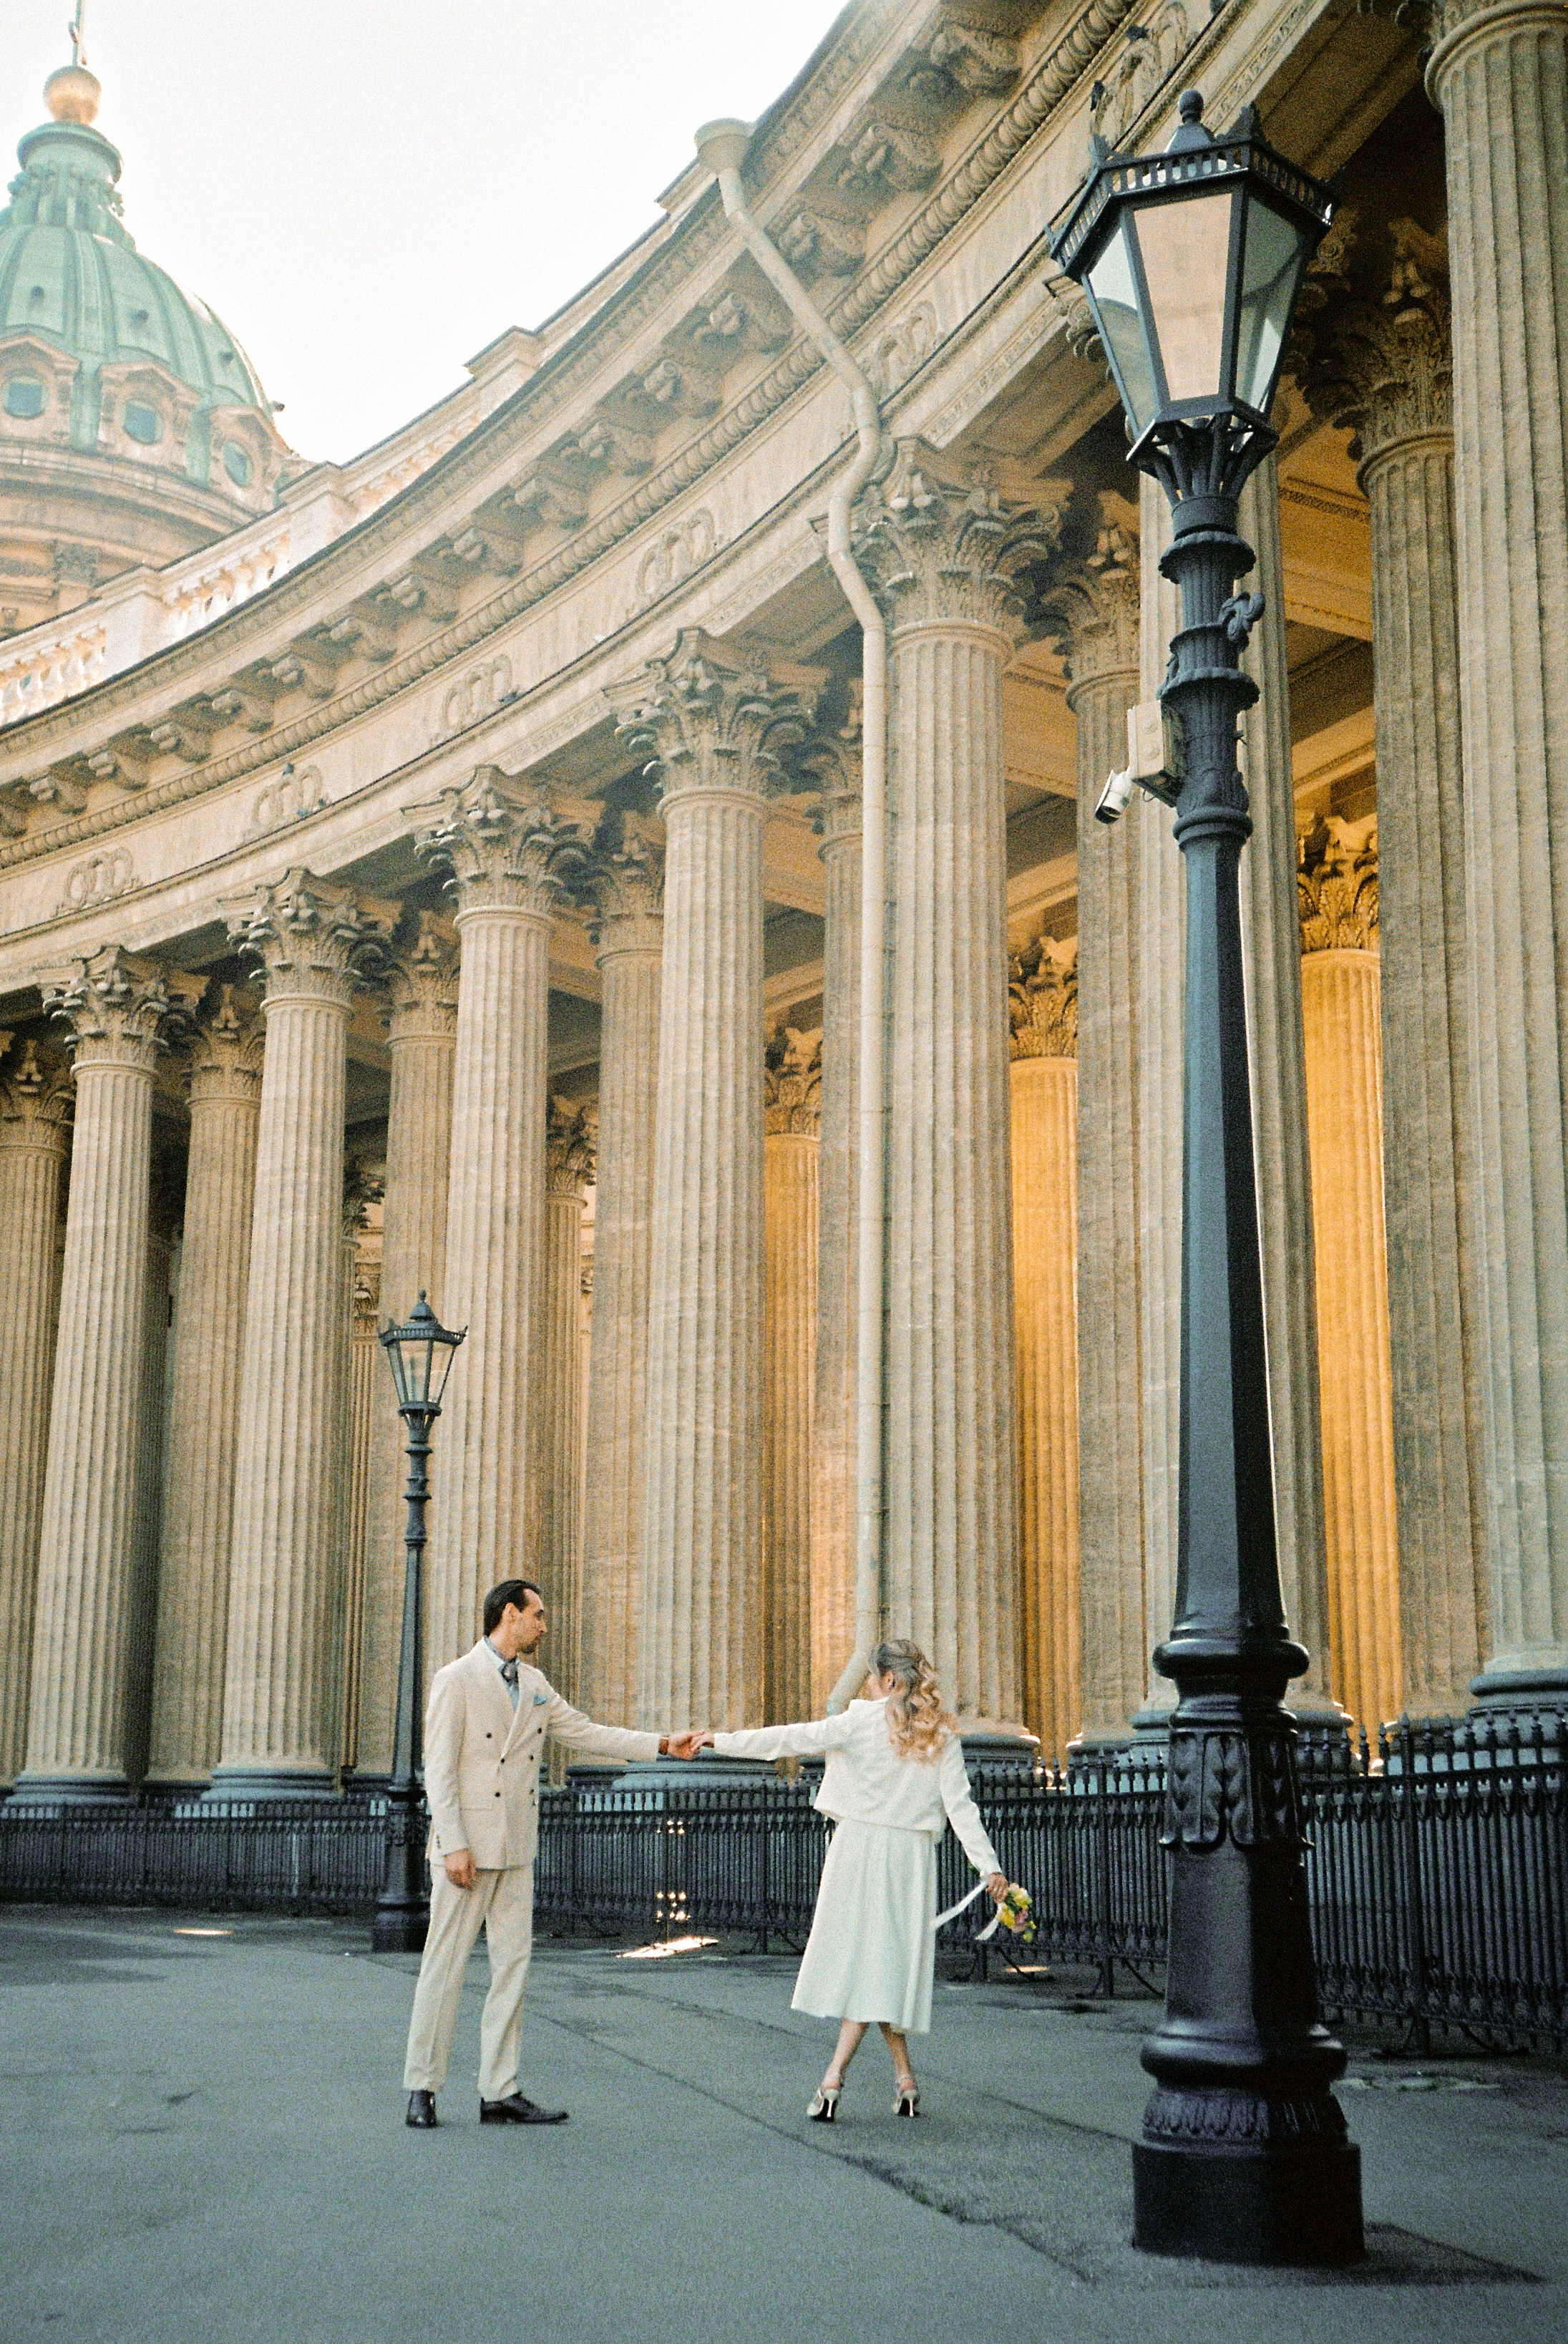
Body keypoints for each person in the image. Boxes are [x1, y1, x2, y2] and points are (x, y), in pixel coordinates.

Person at [402, 1576, 704, 2129]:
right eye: (537, 1614)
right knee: (442, 1970)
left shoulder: (536, 1682)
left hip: (516, 1844)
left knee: (512, 1970)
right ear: (510, 1614)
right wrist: (452, 1843)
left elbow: (588, 1733)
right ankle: (422, 2086)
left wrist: (662, 1744)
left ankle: (499, 2089)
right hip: (466, 1849)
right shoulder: (457, 1678)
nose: (544, 1624)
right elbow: (439, 1769)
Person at [696, 1639, 1006, 2119]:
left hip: (857, 1849)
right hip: (909, 1856)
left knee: (867, 1966)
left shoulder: (860, 1720)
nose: (865, 1684)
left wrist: (717, 1738)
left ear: (888, 1679)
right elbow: (960, 1805)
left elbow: (787, 1739)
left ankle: (833, 2077)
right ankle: (904, 2078)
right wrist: (989, 1867)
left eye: (870, 1676)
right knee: (882, 1965)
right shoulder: (940, 1730)